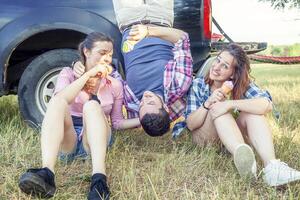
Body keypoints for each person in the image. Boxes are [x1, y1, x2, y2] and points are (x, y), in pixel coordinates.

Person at [18, 32, 140, 199]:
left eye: (110, 55)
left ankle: (99, 180)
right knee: (56, 101)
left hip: (95, 139)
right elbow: (61, 99)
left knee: (91, 105)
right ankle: (46, 173)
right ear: (87, 52)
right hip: (69, 139)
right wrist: (87, 75)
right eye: (102, 53)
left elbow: (117, 122)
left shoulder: (115, 84)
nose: (107, 59)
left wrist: (141, 120)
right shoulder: (68, 73)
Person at [183, 43, 300, 186]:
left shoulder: (242, 85)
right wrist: (208, 103)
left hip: (231, 137)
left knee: (253, 113)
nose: (216, 67)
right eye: (218, 60)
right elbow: (190, 124)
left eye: (225, 66)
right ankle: (243, 157)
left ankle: (272, 167)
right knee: (218, 109)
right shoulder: (198, 84)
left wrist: (230, 103)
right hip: (206, 140)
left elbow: (266, 104)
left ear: (233, 73)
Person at [74, 1, 193, 137]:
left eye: (142, 105)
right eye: (151, 102)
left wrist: (79, 64)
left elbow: (107, 70)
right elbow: (182, 39)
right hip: (160, 17)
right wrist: (148, 31)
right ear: (165, 107)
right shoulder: (178, 85)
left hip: (129, 18)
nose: (145, 97)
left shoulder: (131, 101)